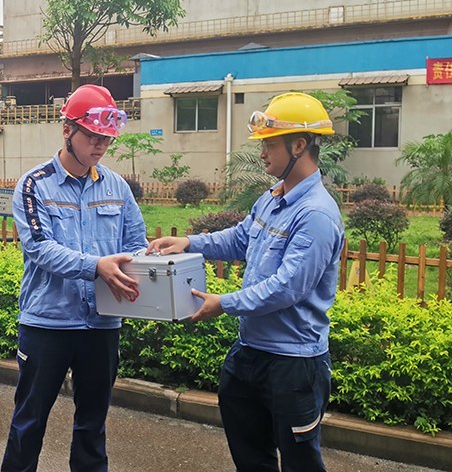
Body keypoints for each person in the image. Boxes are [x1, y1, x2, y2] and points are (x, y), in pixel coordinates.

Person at [147, 92, 344, 472]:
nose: (262, 153)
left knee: (301, 461)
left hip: (294, 363)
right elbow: (239, 237)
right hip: (250, 352)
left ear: (299, 145)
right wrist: (191, 242)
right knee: (250, 455)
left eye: (270, 144)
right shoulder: (273, 198)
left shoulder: (317, 214)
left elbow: (288, 287)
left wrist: (223, 302)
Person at [1, 84, 148, 472]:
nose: (100, 146)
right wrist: (96, 265)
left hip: (102, 324)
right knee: (29, 422)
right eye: (93, 136)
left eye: (106, 139)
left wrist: (147, 265)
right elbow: (39, 248)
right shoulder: (35, 185)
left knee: (92, 426)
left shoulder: (117, 187)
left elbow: (136, 243)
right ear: (68, 130)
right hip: (48, 322)